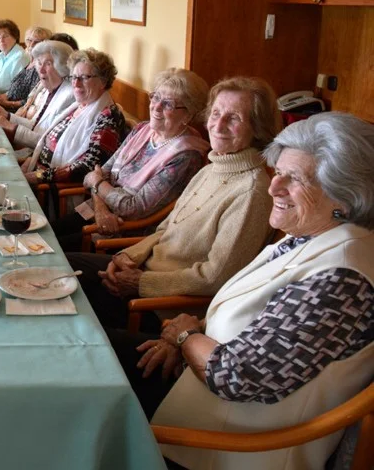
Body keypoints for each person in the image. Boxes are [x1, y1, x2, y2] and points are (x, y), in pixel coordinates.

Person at [110, 112, 374, 470]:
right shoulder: (308, 237)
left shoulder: (342, 280)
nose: (273, 187)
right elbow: (251, 314)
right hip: (198, 395)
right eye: (276, 172)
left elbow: (236, 377)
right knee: (88, 351)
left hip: (226, 446)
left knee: (86, 389)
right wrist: (184, 339)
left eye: (293, 179)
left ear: (345, 193)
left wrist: (185, 335)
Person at [68, 77, 280, 332]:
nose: (218, 125)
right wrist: (126, 256)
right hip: (142, 271)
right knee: (62, 268)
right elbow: (164, 230)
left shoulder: (252, 193)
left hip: (161, 306)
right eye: (215, 113)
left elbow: (214, 278)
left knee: (69, 309)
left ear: (258, 128)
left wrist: (141, 283)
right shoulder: (212, 168)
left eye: (233, 118)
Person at [53, 68, 210, 250]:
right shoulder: (142, 129)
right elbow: (98, 172)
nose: (156, 107)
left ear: (188, 114)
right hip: (98, 211)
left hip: (124, 231)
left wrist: (97, 184)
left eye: (168, 104)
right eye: (155, 97)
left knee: (50, 251)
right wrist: (100, 207)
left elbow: (133, 208)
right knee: (43, 235)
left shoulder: (186, 156)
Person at [20, 48, 127, 182]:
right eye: (74, 77)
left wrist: (38, 176)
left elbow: (88, 167)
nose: (76, 84)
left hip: (54, 190)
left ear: (103, 82)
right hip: (38, 173)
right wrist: (32, 161)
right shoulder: (78, 105)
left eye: (84, 77)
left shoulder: (109, 118)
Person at [0, 40, 79, 152]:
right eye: (39, 63)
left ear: (62, 67)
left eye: (48, 64)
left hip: (40, 159)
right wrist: (7, 115)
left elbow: (49, 143)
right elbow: (36, 126)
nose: (41, 70)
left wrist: (11, 127)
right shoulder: (48, 89)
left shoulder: (70, 96)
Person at [0, 26, 52, 111]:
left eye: (37, 42)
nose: (31, 45)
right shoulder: (29, 61)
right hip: (6, 104)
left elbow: (32, 100)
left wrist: (8, 104)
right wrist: (4, 96)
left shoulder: (40, 68)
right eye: (29, 40)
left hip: (15, 111)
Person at [0, 19, 29, 94]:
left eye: (5, 36)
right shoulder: (0, 55)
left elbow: (19, 89)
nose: (1, 40)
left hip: (7, 102)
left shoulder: (20, 57)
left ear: (15, 37)